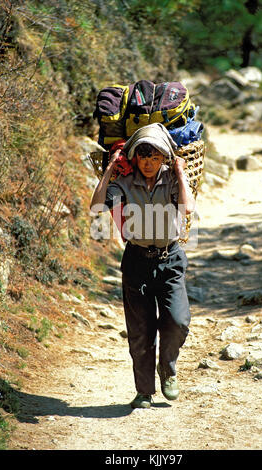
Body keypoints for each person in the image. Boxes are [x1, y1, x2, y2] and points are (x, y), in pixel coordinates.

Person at [90, 123, 195, 409]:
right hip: (136, 261)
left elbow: (187, 209)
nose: (149, 163)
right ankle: (144, 391)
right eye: (143, 156)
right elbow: (98, 206)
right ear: (135, 157)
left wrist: (182, 173)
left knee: (178, 321)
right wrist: (110, 168)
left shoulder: (172, 178)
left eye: (155, 157)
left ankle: (168, 369)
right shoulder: (124, 181)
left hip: (170, 259)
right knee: (140, 331)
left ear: (164, 158)